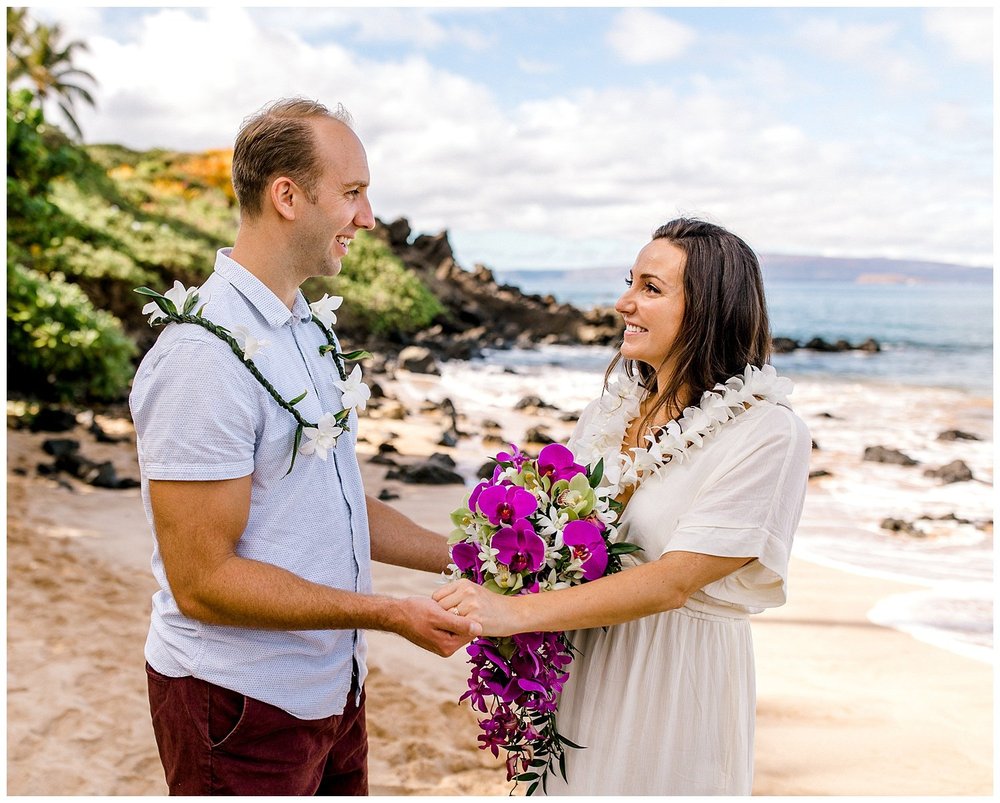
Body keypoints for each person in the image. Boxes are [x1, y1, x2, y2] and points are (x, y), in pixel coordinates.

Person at [129, 98, 479, 796]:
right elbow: (203, 581)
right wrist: (389, 612)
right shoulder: (204, 358)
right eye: (352, 194)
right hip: (239, 705)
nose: (369, 218)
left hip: (333, 691)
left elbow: (335, 502)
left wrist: (474, 555)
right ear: (286, 196)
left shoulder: (304, 330)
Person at [433, 218, 811, 795]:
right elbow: (556, 537)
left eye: (651, 289)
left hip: (674, 683)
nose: (623, 302)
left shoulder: (766, 432)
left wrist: (510, 615)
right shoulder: (608, 413)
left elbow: (673, 582)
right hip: (581, 663)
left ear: (710, 308)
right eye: (630, 282)